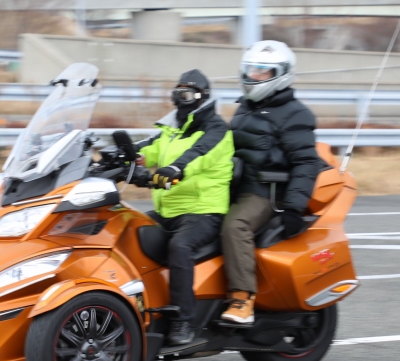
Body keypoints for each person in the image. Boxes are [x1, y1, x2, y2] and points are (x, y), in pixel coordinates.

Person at [220, 41, 326, 325]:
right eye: (250, 70)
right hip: (235, 186)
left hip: (266, 191)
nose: (254, 76)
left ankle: (242, 298)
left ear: (282, 74)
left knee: (236, 225)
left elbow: (306, 163)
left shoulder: (295, 114)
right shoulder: (245, 108)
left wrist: (293, 207)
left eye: (263, 71)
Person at [135, 69, 234, 345]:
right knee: (128, 228)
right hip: (169, 210)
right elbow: (148, 149)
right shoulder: (172, 129)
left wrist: (176, 168)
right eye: (177, 93)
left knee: (180, 246)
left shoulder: (217, 130)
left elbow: (199, 155)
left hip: (203, 211)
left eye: (187, 93)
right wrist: (123, 156)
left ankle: (183, 320)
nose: (181, 98)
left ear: (202, 97)